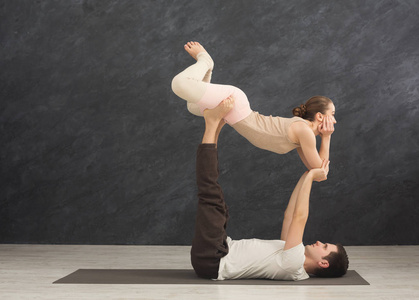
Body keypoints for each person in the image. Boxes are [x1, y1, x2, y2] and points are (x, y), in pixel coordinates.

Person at [191, 99, 349, 280]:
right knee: (219, 206)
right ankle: (216, 125)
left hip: (213, 259)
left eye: (325, 247)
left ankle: (211, 124)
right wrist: (307, 176)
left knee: (211, 195)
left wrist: (313, 175)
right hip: (218, 250)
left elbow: (300, 216)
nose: (320, 242)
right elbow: (290, 215)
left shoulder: (294, 264)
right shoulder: (290, 253)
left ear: (323, 263)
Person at [172, 41, 336, 170]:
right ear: (320, 116)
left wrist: (324, 139)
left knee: (192, 107)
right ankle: (206, 60)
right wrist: (327, 137)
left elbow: (318, 173)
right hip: (235, 103)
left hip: (231, 113)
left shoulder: (304, 137)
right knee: (179, 84)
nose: (334, 121)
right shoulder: (304, 130)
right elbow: (319, 167)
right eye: (333, 114)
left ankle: (206, 74)